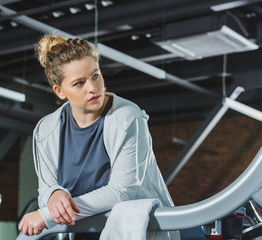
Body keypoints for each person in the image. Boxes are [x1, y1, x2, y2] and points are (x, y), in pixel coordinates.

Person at [18, 35, 180, 239]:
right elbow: (46, 190)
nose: (92, 88)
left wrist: (47, 214)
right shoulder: (46, 130)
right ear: (60, 91)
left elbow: (122, 191)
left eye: (95, 76)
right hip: (82, 233)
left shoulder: (128, 118)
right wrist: (54, 194)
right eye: (79, 83)